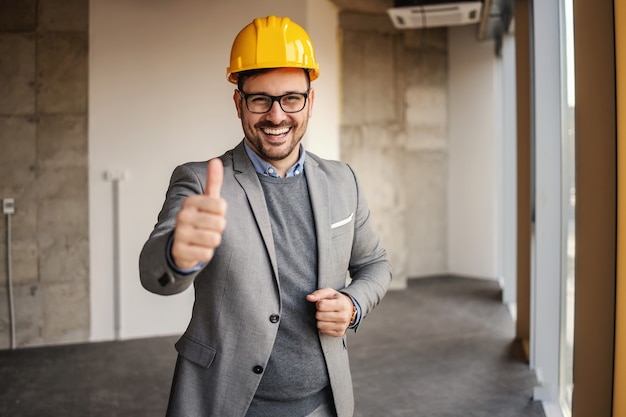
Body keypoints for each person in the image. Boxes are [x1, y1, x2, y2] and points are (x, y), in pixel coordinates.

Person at [139, 15, 392, 417]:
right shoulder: (200, 181)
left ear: (310, 100)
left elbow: (375, 265)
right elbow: (155, 273)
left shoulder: (343, 181)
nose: (276, 116)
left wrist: (352, 303)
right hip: (226, 404)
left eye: (291, 98)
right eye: (260, 99)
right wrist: (176, 255)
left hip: (324, 404)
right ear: (239, 102)